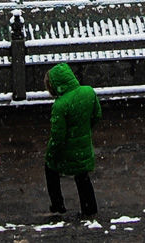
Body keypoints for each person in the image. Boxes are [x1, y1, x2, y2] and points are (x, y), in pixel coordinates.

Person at [44, 62, 101, 220]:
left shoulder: (60, 105)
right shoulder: (89, 92)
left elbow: (58, 136)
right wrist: (84, 130)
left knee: (50, 169)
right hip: (83, 145)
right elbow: (97, 115)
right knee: (82, 177)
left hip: (67, 149)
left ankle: (58, 205)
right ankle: (90, 209)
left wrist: (51, 154)